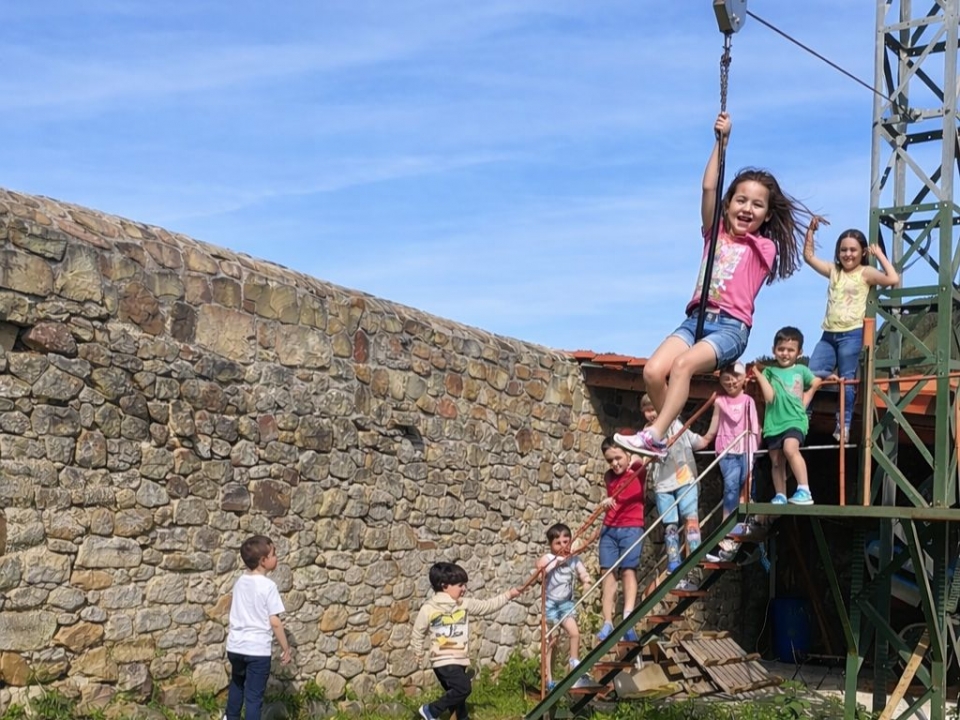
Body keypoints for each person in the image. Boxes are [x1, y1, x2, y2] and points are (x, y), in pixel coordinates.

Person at [615, 111, 812, 459]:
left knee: (682, 366)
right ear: (728, 203)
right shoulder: (713, 234)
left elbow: (748, 229)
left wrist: (743, 227)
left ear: (767, 215)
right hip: (696, 320)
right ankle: (666, 435)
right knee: (653, 371)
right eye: (740, 200)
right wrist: (721, 144)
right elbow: (709, 187)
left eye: (757, 205)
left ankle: (656, 434)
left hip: (731, 328)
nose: (747, 208)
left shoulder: (763, 247)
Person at [803, 219, 900, 440]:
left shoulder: (865, 272)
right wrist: (811, 232)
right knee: (811, 374)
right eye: (843, 249)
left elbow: (892, 278)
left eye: (853, 250)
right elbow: (808, 257)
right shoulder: (834, 271)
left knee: (846, 380)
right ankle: (803, 414)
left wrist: (879, 255)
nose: (848, 254)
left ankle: (843, 425)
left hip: (852, 333)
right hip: (828, 333)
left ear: (862, 252)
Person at [413, 562, 521, 720]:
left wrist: (508, 595)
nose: (464, 589)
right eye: (460, 585)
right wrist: (418, 652)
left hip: (459, 660)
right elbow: (418, 632)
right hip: (443, 661)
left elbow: (487, 606)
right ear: (444, 586)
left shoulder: (463, 604)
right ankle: (431, 710)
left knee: (457, 700)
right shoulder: (429, 608)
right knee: (463, 688)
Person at [640, 395, 706, 590]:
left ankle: (694, 557)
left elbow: (695, 441)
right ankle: (674, 563)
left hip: (684, 479)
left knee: (690, 519)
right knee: (670, 525)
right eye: (647, 410)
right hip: (662, 485)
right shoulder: (646, 433)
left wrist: (712, 435)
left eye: (654, 409)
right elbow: (645, 456)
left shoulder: (676, 423)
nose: (651, 414)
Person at [753, 326, 823, 505]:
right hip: (774, 422)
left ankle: (804, 489)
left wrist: (807, 397)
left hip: (795, 419)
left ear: (799, 352)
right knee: (776, 461)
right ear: (773, 350)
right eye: (781, 349)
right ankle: (780, 495)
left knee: (790, 448)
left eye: (790, 350)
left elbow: (816, 381)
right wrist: (758, 375)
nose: (785, 353)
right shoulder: (769, 372)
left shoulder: (801, 370)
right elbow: (769, 397)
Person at [224, 535, 292, 720]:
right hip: (257, 650)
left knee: (237, 684)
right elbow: (275, 621)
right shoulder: (268, 586)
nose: (276, 557)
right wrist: (285, 647)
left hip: (235, 647)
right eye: (273, 554)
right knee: (254, 698)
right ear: (263, 561)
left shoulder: (239, 582)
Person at [596, 437, 646, 642]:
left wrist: (630, 451)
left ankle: (627, 617)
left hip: (632, 527)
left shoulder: (637, 470)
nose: (614, 464)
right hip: (609, 528)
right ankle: (607, 622)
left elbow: (641, 458)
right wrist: (605, 502)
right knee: (607, 574)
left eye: (618, 458)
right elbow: (611, 497)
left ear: (626, 454)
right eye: (610, 460)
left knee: (628, 571)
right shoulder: (609, 477)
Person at [535, 523, 592, 690]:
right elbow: (540, 571)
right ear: (551, 545)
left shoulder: (573, 559)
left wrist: (586, 582)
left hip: (566, 603)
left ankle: (574, 661)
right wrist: (556, 562)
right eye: (558, 543)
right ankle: (548, 679)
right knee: (551, 642)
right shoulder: (548, 558)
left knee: (574, 633)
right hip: (551, 604)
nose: (563, 546)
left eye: (566, 541)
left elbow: (583, 573)